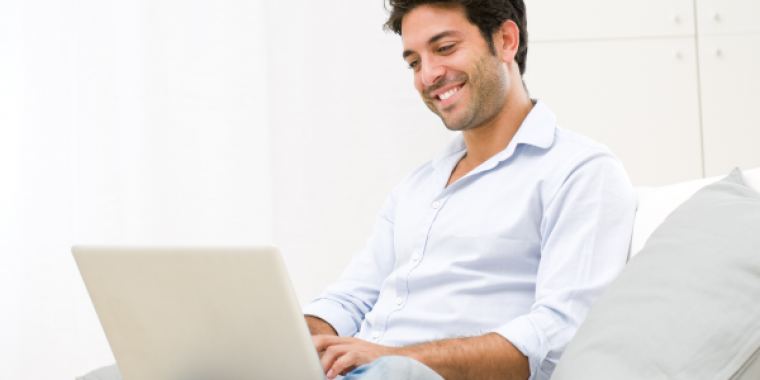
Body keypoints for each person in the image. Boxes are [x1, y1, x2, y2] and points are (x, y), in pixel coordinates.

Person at [303, 1, 637, 380]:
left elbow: (559, 335)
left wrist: (391, 357)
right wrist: (296, 339)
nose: (427, 75)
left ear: (506, 40)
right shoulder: (416, 187)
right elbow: (349, 299)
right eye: (414, 62)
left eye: (445, 48)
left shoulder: (578, 172)